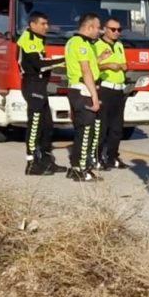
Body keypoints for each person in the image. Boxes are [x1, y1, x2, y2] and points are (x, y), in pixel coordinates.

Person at [17, 11, 65, 175]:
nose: (47, 27)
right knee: (35, 125)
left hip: (41, 86)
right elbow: (40, 64)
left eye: (47, 23)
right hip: (32, 85)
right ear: (33, 24)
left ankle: (46, 160)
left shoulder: (38, 39)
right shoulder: (28, 40)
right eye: (43, 24)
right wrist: (64, 60)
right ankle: (31, 164)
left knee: (47, 126)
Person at [64, 13, 103, 182]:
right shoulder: (81, 44)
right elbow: (86, 71)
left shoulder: (73, 42)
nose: (99, 31)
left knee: (81, 131)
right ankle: (81, 169)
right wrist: (95, 97)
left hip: (76, 90)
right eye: (97, 27)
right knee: (86, 131)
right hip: (82, 90)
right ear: (89, 27)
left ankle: (76, 167)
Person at [95, 17, 128, 170]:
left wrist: (123, 66)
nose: (116, 32)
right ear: (105, 29)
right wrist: (108, 65)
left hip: (119, 89)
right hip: (105, 88)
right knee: (102, 126)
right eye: (113, 29)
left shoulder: (120, 45)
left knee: (117, 127)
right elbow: (92, 65)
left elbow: (123, 62)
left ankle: (112, 156)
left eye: (119, 30)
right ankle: (97, 156)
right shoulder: (97, 45)